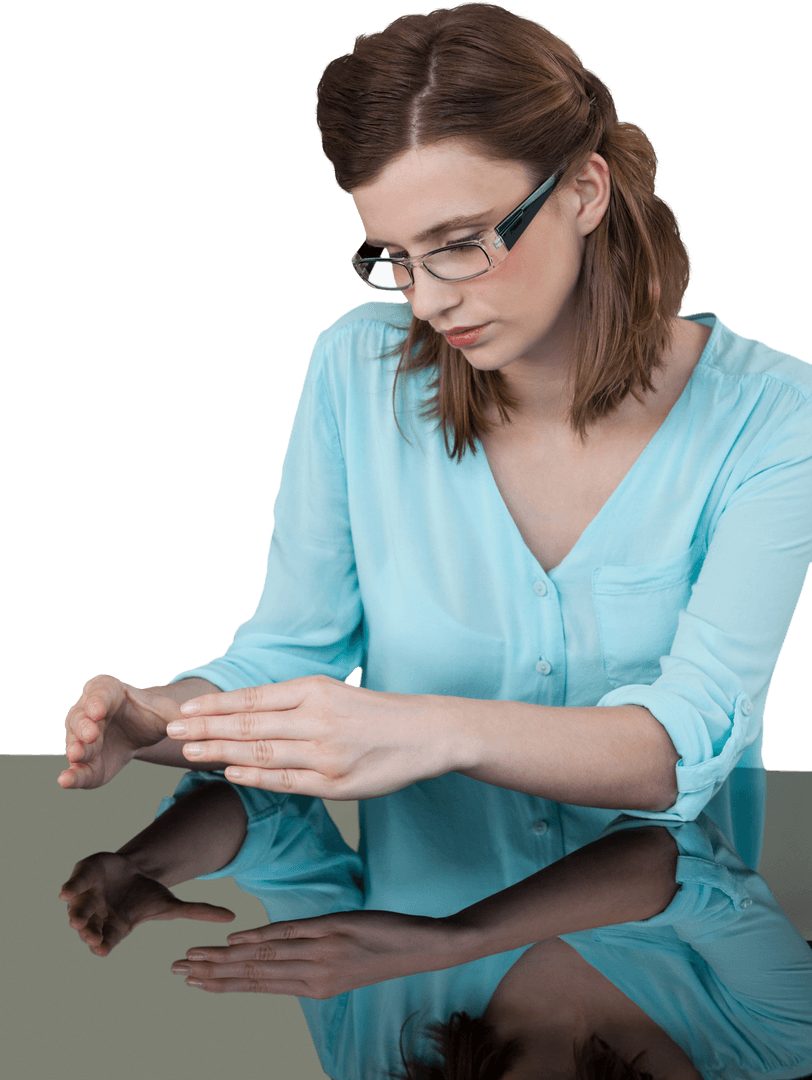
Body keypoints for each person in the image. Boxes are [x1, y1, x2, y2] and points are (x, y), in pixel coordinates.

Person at [58, 2, 812, 1074]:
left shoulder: (777, 420)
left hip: (678, 876)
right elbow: (292, 662)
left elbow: (679, 747)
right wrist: (167, 719)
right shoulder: (356, 373)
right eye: (393, 258)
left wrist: (427, 734)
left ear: (585, 190)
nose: (425, 302)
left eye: (459, 246)